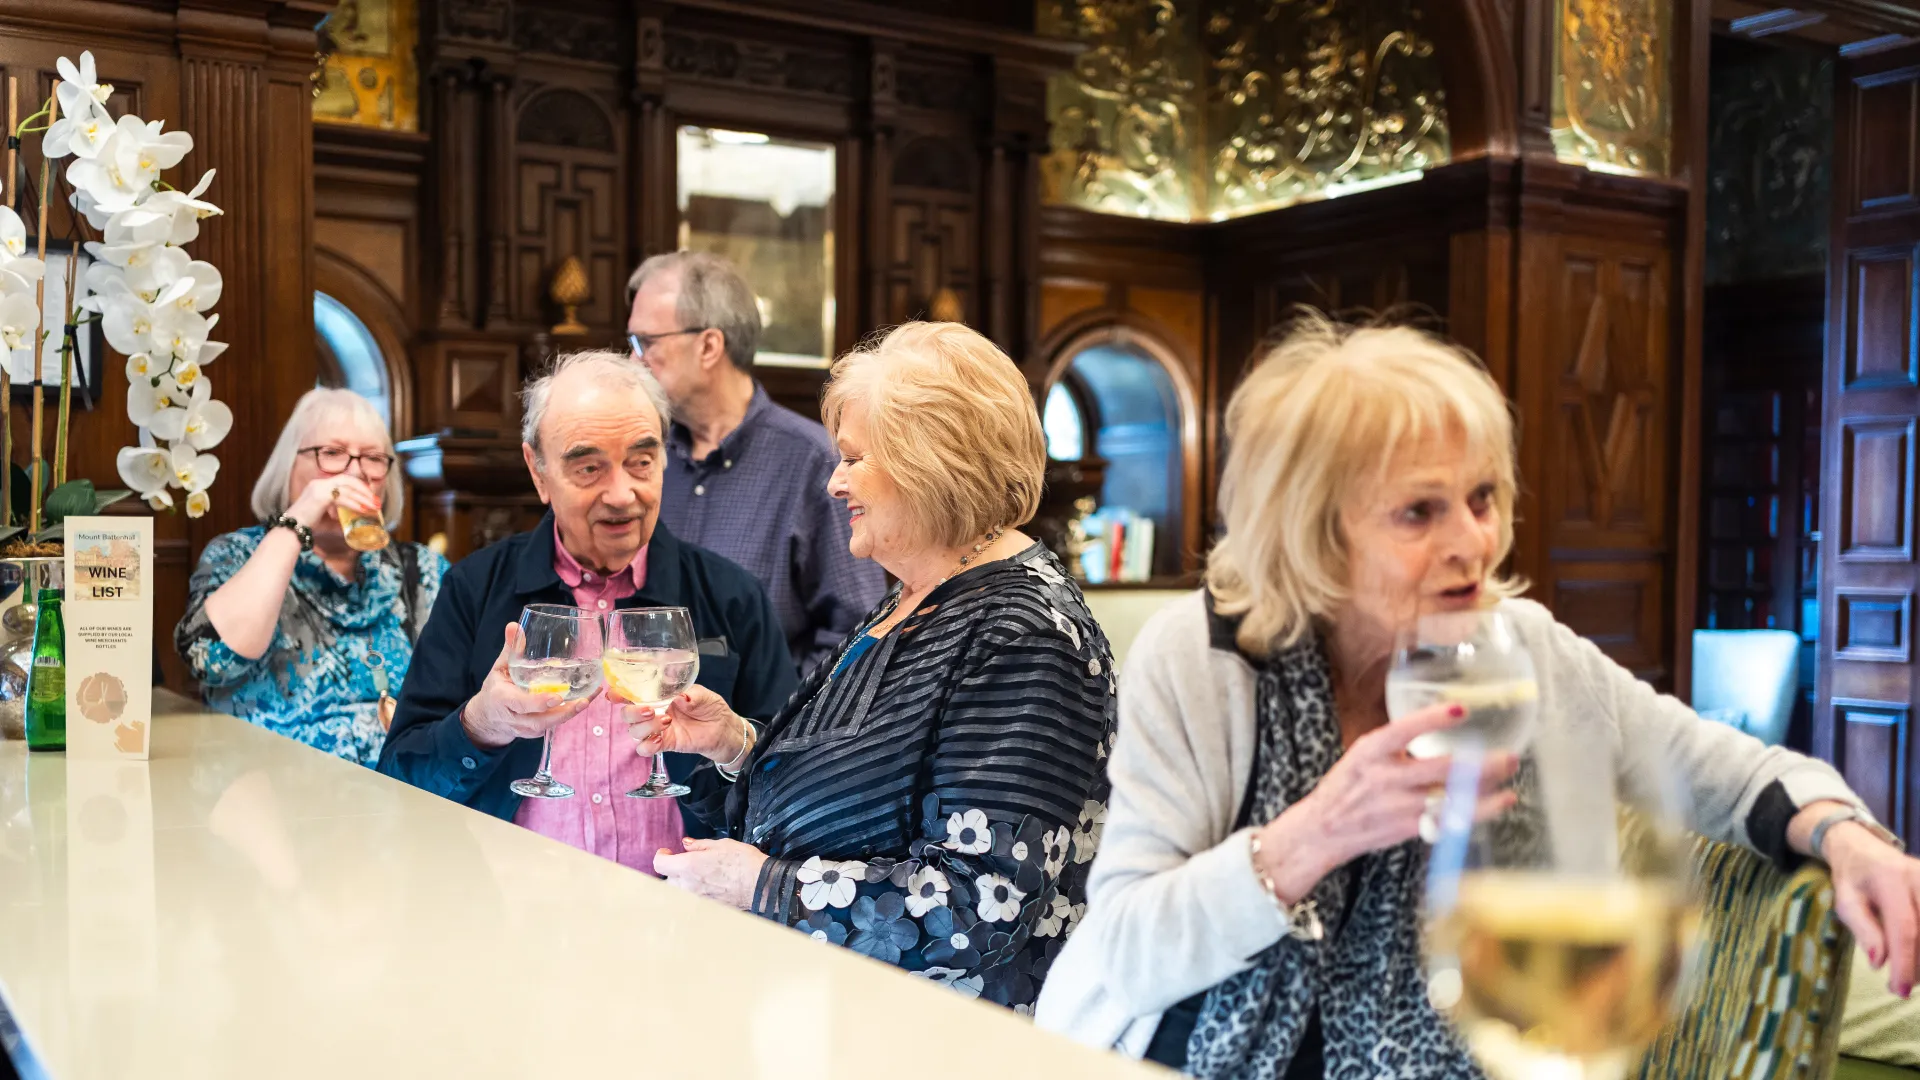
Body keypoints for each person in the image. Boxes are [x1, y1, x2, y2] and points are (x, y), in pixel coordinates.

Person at [1034, 315, 1920, 1075]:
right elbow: (1126, 952)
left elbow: (1721, 773)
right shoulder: (1204, 656)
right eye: (1419, 512)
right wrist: (1312, 836)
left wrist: (1846, 834)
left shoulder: (1515, 646)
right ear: (1313, 528)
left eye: (1484, 497)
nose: (1475, 542)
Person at [633, 321, 1116, 1013]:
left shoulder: (1023, 633)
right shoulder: (919, 592)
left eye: (854, 459)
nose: (834, 482)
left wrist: (764, 885)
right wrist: (736, 745)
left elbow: (982, 909)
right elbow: (862, 787)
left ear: (932, 463)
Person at [376, 351, 796, 871]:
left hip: (686, 917)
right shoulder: (475, 589)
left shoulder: (731, 596)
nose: (622, 495)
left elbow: (796, 792)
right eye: (589, 467)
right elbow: (400, 779)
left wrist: (735, 746)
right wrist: (480, 724)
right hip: (510, 910)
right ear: (539, 472)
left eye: (641, 462)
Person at [626, 251, 887, 677]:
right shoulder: (643, 457)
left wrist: (776, 717)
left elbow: (856, 631)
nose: (633, 361)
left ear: (709, 345)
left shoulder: (813, 461)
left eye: (646, 343)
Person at [177, 388, 447, 767]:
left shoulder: (423, 571)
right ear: (289, 467)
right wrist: (299, 516)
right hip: (269, 794)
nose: (356, 472)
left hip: (401, 797)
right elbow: (212, 661)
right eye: (332, 453)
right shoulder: (237, 555)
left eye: (372, 458)